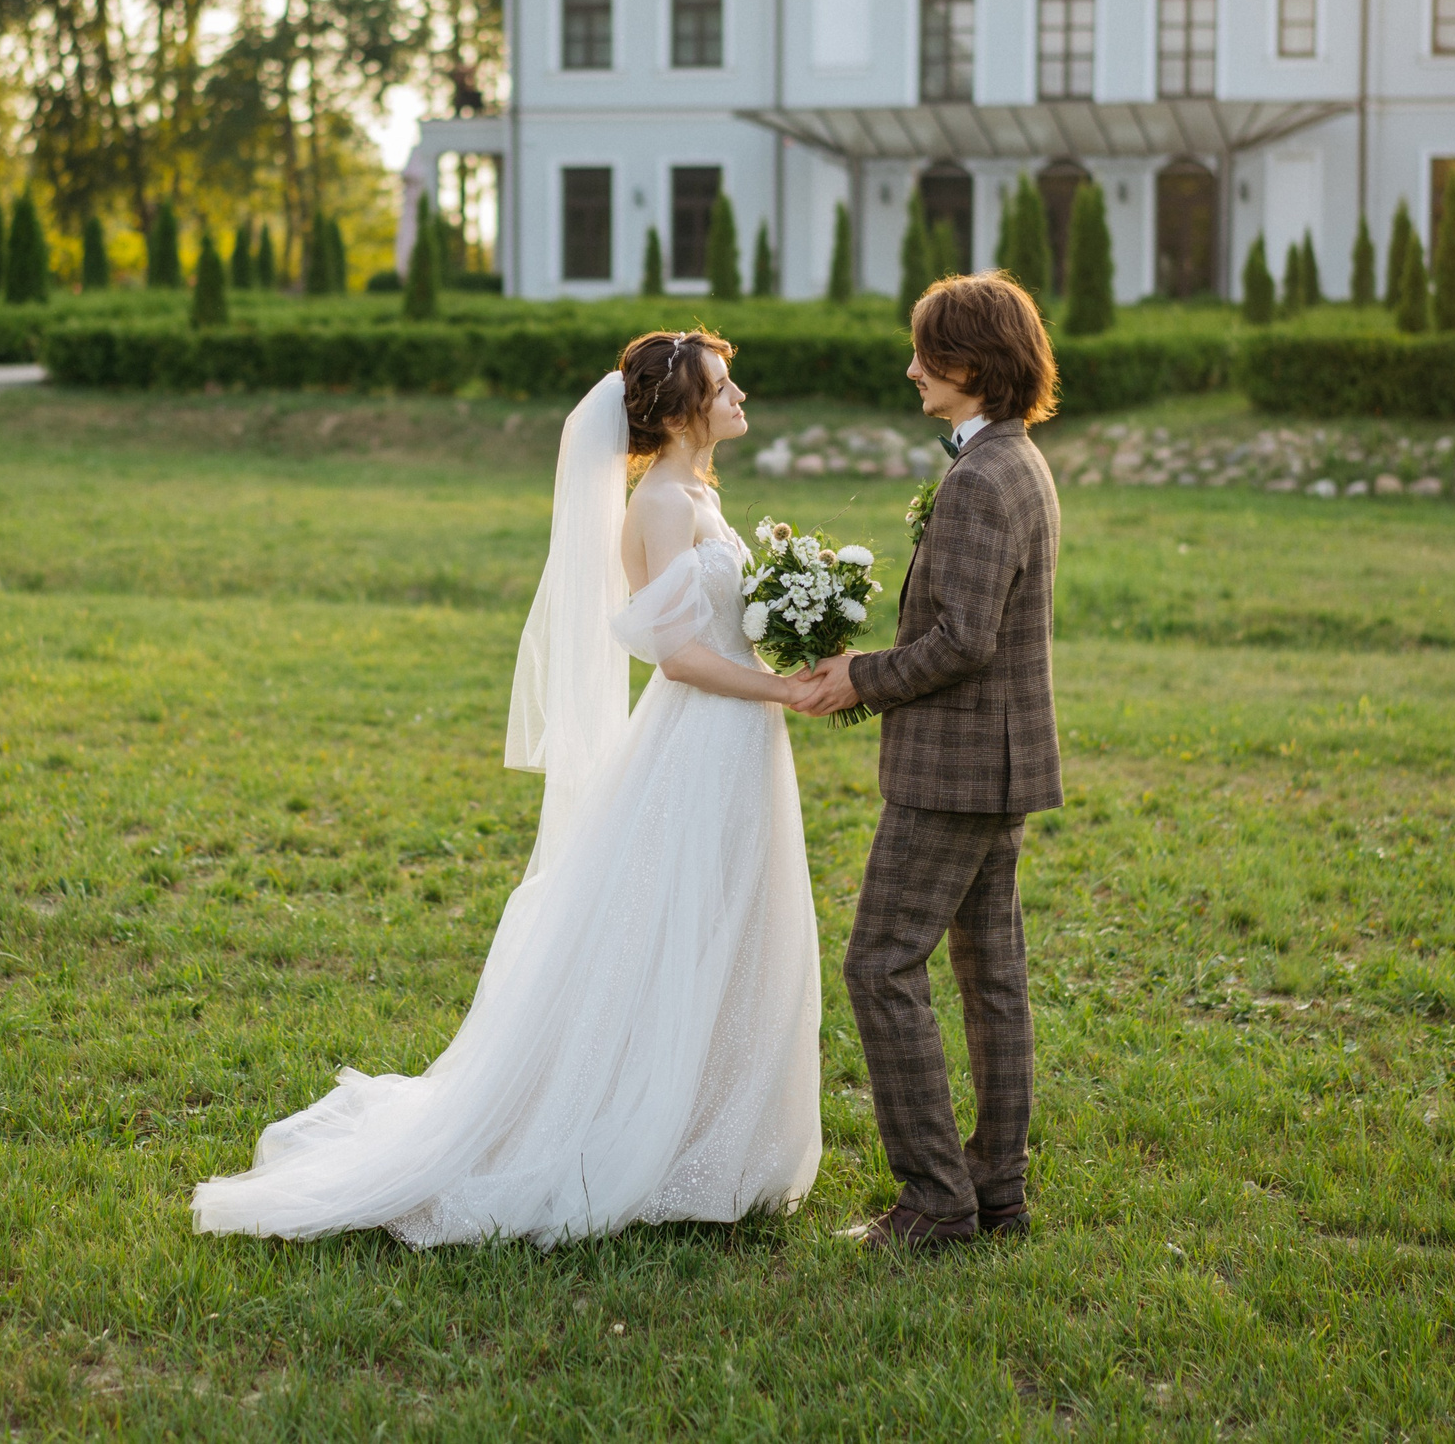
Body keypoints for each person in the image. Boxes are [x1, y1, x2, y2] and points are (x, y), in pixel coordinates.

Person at [192, 331, 822, 1246]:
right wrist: (781, 690)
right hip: (700, 739)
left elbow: (721, 622)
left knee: (731, 922)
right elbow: (679, 658)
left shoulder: (700, 495)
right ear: (683, 411)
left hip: (740, 737)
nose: (739, 397)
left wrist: (801, 632)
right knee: (677, 924)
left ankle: (712, 1133)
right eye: (723, 387)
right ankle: (645, 1133)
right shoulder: (657, 504)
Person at [794, 272, 1063, 1250]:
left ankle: (936, 1202)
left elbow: (962, 640)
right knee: (991, 976)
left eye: (925, 353)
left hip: (955, 772)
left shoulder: (982, 479)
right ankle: (997, 1192)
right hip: (998, 764)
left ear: (970, 364)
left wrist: (859, 675)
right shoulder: (1014, 460)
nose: (911, 368)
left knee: (879, 965)